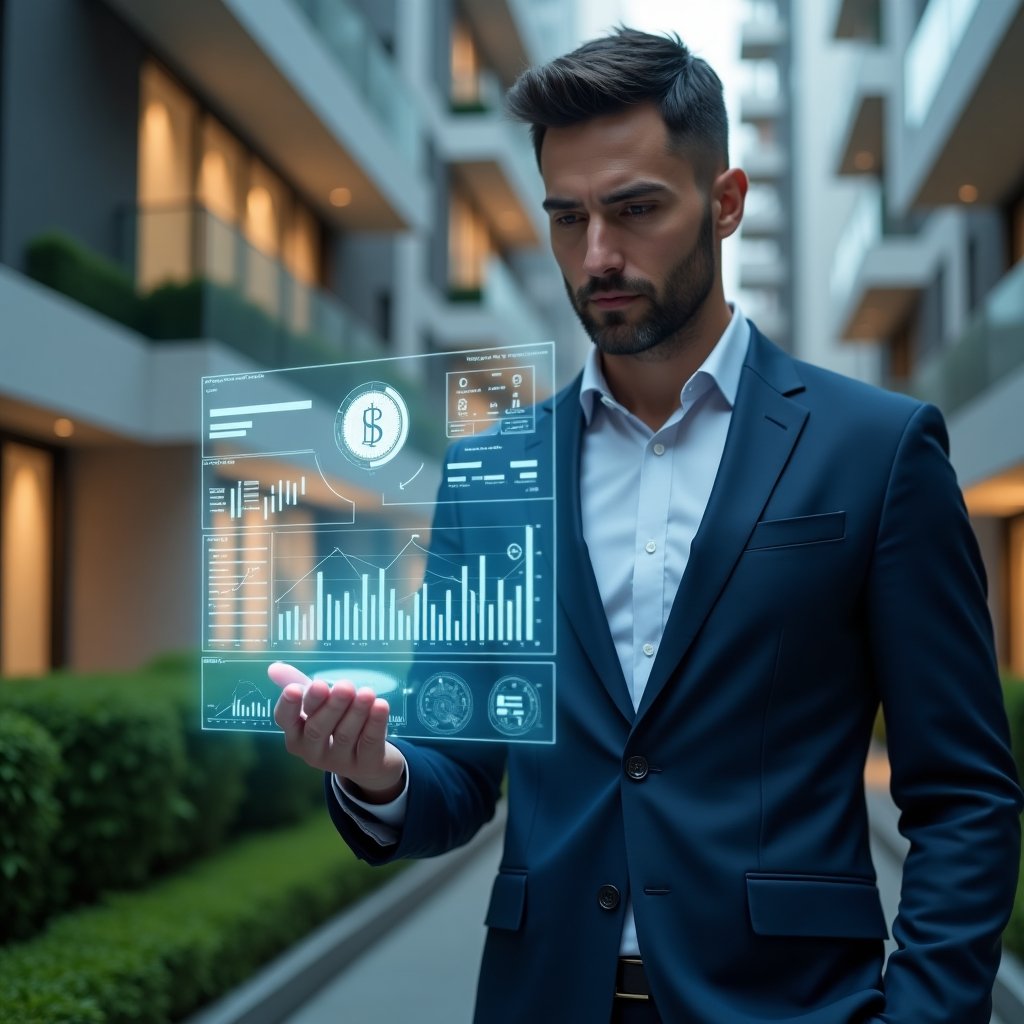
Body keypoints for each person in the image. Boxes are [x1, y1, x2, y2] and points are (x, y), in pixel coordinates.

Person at [268, 27, 1022, 1024]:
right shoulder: (492, 472)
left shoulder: (877, 451)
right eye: (566, 217)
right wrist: (380, 772)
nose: (597, 256)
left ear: (726, 201)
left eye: (634, 210)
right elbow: (458, 773)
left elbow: (964, 795)